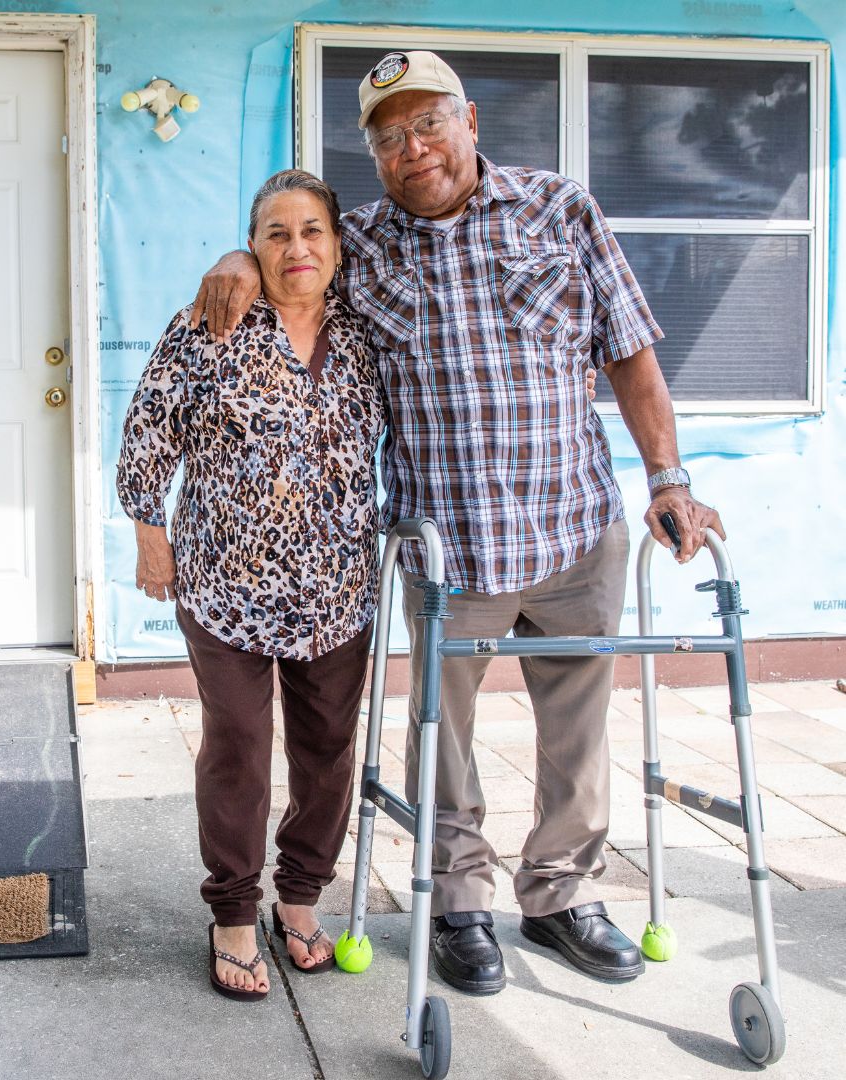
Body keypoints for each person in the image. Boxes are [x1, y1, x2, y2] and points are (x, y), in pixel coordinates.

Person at [190, 51, 725, 996]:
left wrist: (670, 478)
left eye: (428, 122)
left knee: (580, 732)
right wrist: (238, 256)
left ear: (471, 119)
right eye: (388, 137)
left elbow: (631, 352)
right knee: (442, 734)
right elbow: (290, 260)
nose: (412, 148)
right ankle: (460, 903)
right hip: (451, 542)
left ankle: (562, 895)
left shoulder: (560, 209)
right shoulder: (360, 243)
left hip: (572, 530)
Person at [117, 170, 384, 1002]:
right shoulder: (214, 320)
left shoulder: (372, 329)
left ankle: (299, 897)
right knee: (237, 746)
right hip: (225, 582)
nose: (296, 248)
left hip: (337, 585)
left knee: (328, 752)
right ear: (252, 246)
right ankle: (233, 911)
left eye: (312, 230)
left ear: (339, 244)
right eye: (274, 233)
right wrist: (148, 530)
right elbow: (149, 425)